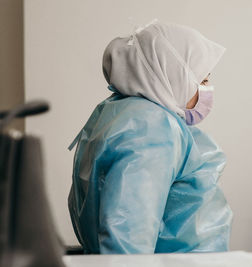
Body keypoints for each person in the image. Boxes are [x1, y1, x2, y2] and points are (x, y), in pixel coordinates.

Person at [67, 19, 233, 254]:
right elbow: (126, 238)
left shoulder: (121, 115)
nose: (207, 90)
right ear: (173, 76)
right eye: (202, 80)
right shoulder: (150, 128)